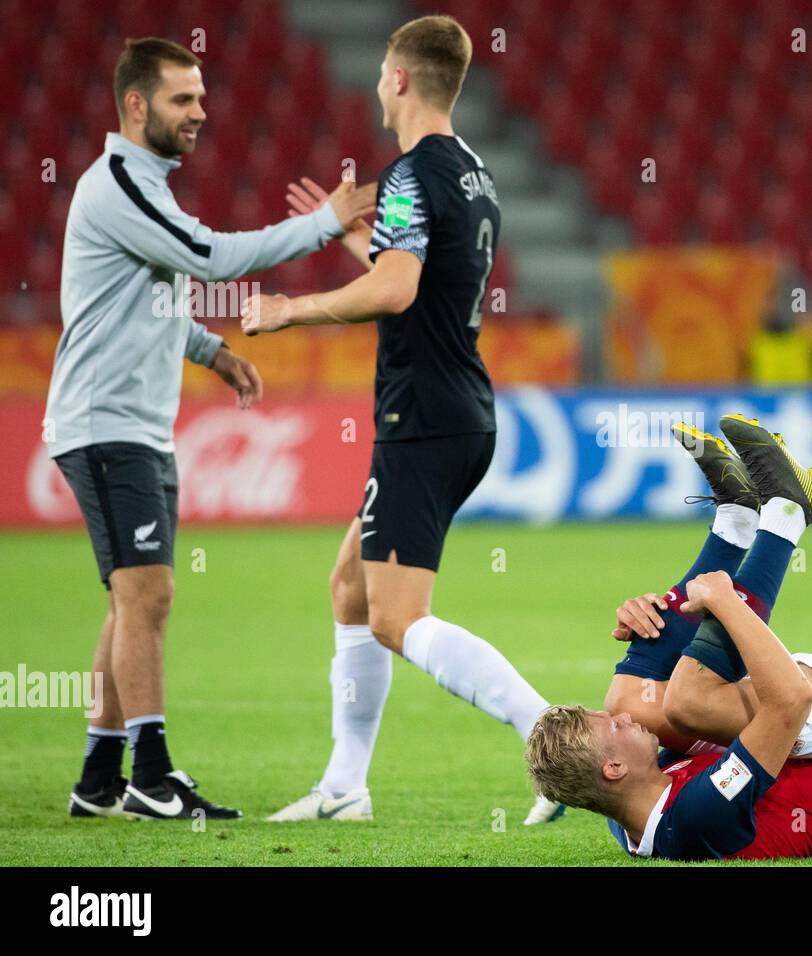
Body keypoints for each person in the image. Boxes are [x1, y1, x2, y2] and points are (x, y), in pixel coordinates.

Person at [242, 16, 558, 825]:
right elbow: (423, 283)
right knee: (351, 587)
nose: (380, 80)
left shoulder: (413, 175)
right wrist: (363, 243)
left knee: (393, 616)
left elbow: (396, 292)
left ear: (400, 79)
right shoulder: (474, 175)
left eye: (385, 67)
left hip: (421, 416)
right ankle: (345, 787)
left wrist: (292, 308)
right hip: (458, 409)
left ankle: (553, 743)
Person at [50, 37, 375, 820]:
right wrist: (324, 225)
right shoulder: (121, 181)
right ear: (136, 106)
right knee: (149, 592)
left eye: (200, 96)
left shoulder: (141, 185)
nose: (201, 112)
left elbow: (141, 298)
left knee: (132, 599)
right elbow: (212, 257)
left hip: (135, 425)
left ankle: (100, 779)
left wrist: (211, 350)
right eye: (182, 99)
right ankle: (151, 774)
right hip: (106, 425)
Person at [527, 416, 812, 859]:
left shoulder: (629, 805)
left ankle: (736, 520)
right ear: (613, 768)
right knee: (689, 701)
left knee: (632, 698)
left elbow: (640, 706)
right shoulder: (699, 816)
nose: (626, 722)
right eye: (614, 730)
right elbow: (789, 703)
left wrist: (651, 622)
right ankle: (787, 514)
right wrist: (721, 601)